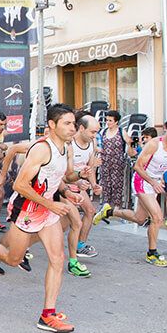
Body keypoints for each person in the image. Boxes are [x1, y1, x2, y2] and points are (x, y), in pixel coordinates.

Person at [0, 105, 82, 333]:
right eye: (67, 123)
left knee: (57, 259)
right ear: (52, 125)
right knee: (12, 258)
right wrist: (50, 203)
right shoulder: (41, 149)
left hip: (47, 210)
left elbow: (55, 177)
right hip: (27, 209)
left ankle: (47, 315)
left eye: (73, 124)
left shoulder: (64, 148)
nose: (72, 128)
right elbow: (19, 184)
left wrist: (69, 191)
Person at [95, 116, 167, 267]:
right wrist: (152, 182)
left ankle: (109, 212)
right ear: (165, 128)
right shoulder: (153, 144)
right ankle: (152, 253)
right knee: (157, 217)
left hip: (156, 181)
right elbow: (137, 167)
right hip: (142, 180)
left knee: (139, 218)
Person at [64, 113, 102, 277]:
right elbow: (65, 172)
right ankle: (24, 242)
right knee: (69, 222)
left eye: (97, 132)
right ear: (81, 128)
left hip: (80, 183)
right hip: (64, 184)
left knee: (90, 212)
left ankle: (80, 245)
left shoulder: (92, 143)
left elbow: (90, 167)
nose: (95, 135)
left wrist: (93, 185)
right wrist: (78, 180)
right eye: (93, 132)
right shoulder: (69, 144)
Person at [98, 110, 135, 209]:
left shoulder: (121, 132)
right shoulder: (104, 132)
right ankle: (106, 205)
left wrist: (131, 147)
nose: (108, 122)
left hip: (117, 162)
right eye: (107, 120)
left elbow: (130, 142)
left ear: (116, 122)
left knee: (116, 184)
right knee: (105, 183)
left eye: (110, 120)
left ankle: (117, 206)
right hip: (105, 161)